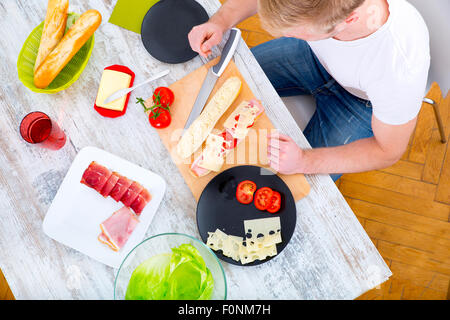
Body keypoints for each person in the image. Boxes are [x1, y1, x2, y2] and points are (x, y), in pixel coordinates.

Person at [188, 0, 430, 181]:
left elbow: (387, 151)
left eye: (293, 29)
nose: (284, 34)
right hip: (313, 56)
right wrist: (220, 21)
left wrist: (304, 161)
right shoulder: (327, 17)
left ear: (349, 20)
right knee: (221, 84)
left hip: (360, 104)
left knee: (285, 184)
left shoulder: (398, 67)